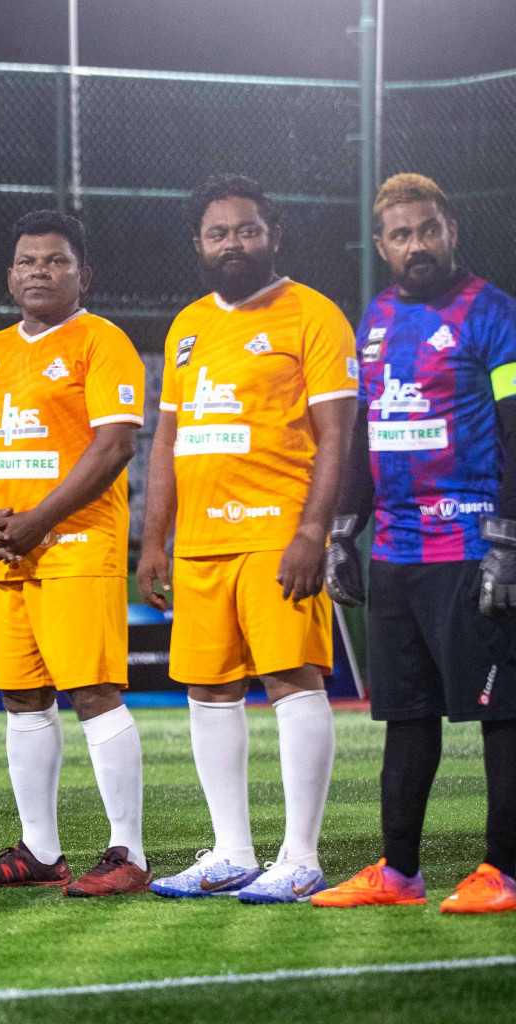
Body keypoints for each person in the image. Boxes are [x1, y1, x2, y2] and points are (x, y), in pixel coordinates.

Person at [136, 173, 357, 903]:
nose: (234, 243)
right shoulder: (188, 325)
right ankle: (231, 851)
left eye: (247, 229)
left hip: (277, 536)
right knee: (208, 690)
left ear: (273, 235)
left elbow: (336, 436)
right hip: (199, 546)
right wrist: (154, 541)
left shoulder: (313, 315)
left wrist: (313, 531)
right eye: (218, 233)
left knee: (293, 680)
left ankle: (300, 855)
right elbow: (167, 442)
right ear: (198, 244)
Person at [314, 173, 516, 914]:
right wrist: (343, 532)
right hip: (397, 556)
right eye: (400, 235)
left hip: (472, 547)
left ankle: (504, 872)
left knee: (503, 712)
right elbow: (370, 434)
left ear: (451, 228)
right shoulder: (374, 321)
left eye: (427, 229)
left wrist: (509, 542)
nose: (416, 245)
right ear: (381, 245)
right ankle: (398, 873)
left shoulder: (494, 314)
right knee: (405, 716)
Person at [0, 211, 150, 896]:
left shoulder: (103, 341)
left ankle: (130, 853)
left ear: (82, 274)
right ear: (10, 275)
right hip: (7, 551)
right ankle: (40, 851)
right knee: (21, 697)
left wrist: (36, 521)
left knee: (93, 692)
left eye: (56, 261)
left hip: (75, 546)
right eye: (28, 261)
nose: (40, 271)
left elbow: (115, 446)